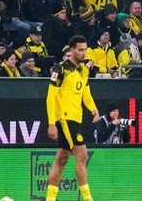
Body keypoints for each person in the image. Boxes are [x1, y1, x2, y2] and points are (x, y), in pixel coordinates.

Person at [44, 37, 99, 201]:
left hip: (76, 118)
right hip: (64, 118)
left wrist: (93, 108)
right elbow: (50, 97)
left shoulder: (84, 70)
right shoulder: (60, 69)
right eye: (80, 50)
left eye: (85, 49)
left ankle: (50, 198)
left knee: (61, 159)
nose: (83, 52)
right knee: (81, 154)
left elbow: (85, 93)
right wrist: (51, 123)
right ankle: (88, 198)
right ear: (72, 50)